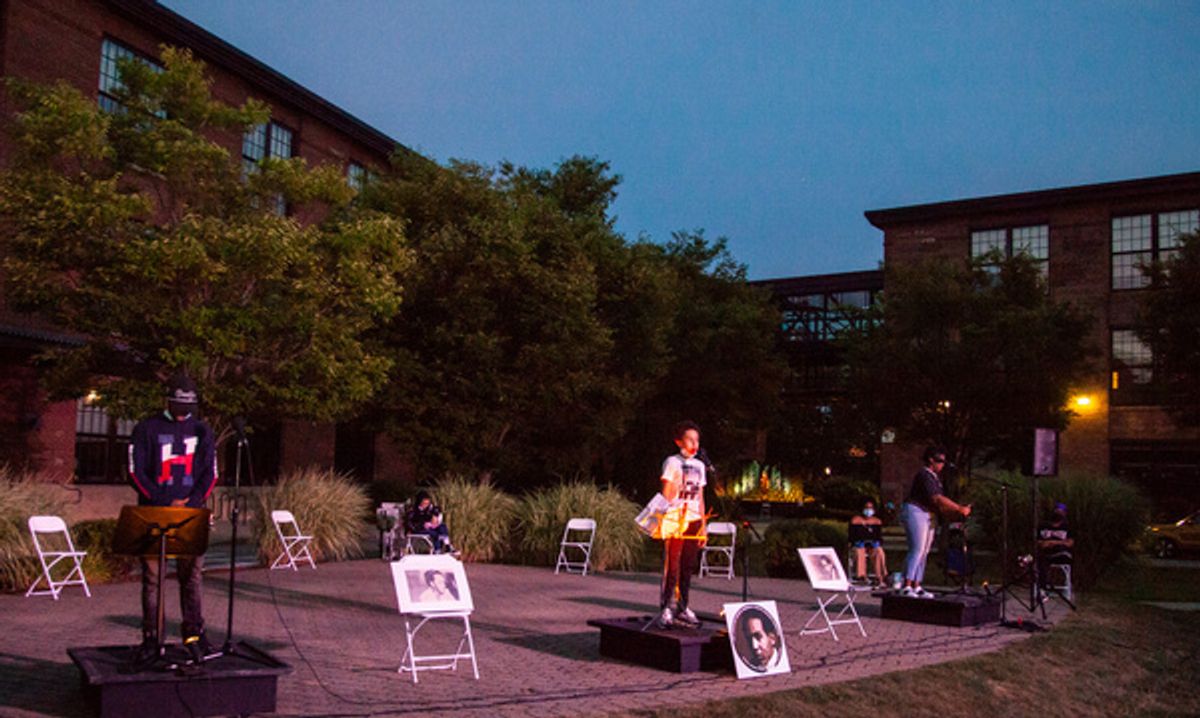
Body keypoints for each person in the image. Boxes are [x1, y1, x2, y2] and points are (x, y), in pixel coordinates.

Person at [127, 374, 219, 659]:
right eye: (178, 407)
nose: (182, 414)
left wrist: (193, 501)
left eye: (187, 408)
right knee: (153, 578)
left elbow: (210, 473)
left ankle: (194, 633)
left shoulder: (202, 430)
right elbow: (135, 471)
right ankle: (152, 638)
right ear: (167, 401)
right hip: (155, 512)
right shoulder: (146, 429)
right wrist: (165, 500)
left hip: (191, 513)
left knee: (191, 577)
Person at [899, 446, 970, 598]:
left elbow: (939, 504)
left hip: (928, 513)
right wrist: (959, 508)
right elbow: (937, 498)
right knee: (917, 549)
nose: (942, 464)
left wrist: (956, 513)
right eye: (940, 461)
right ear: (931, 460)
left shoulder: (935, 478)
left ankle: (917, 585)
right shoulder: (924, 475)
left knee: (925, 551)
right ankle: (906, 585)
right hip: (916, 510)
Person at [658, 420, 707, 628]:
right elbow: (666, 492)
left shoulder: (700, 465)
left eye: (696, 440)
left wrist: (703, 525)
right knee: (673, 566)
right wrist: (664, 516)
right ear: (679, 442)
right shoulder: (672, 462)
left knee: (687, 566)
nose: (694, 444)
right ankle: (666, 607)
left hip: (693, 519)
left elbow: (700, 496)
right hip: (675, 519)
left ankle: (683, 606)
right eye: (689, 439)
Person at [849, 500, 887, 585]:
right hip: (859, 545)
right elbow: (852, 536)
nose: (868, 510)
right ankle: (861, 576)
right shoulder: (856, 520)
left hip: (872, 545)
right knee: (859, 552)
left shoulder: (877, 521)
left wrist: (875, 542)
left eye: (870, 508)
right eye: (866, 508)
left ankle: (880, 576)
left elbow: (878, 537)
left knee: (879, 551)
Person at [1037, 502, 1073, 587]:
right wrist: (1044, 543)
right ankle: (1042, 585)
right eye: (1057, 510)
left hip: (1061, 553)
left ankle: (1053, 584)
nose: (1058, 513)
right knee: (1038, 560)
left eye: (1061, 511)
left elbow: (1070, 543)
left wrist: (1054, 542)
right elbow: (1038, 541)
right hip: (1045, 552)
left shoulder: (1067, 527)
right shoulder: (1044, 526)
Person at [737, 607, 782, 672]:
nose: (754, 646)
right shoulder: (750, 665)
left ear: (772, 638)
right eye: (749, 639)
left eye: (758, 637)